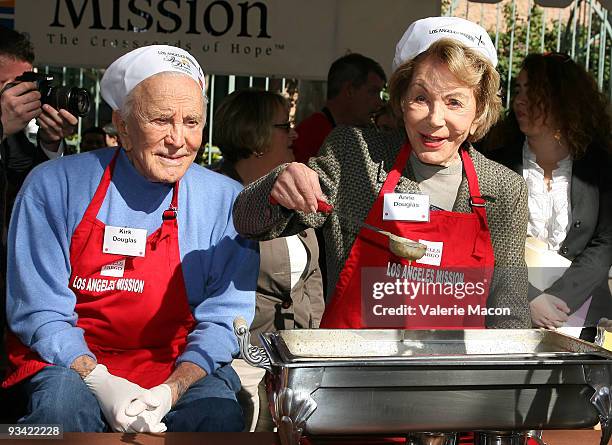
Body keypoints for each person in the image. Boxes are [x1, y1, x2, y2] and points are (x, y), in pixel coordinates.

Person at [3, 45, 258, 433]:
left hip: (178, 361)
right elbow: (40, 312)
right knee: (60, 413)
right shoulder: (54, 186)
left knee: (217, 416)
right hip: (71, 361)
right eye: (160, 119)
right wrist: (100, 381)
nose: (178, 139)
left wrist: (171, 391)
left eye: (192, 121)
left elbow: (224, 318)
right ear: (121, 124)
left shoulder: (225, 200)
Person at [233, 16, 531, 329]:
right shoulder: (354, 153)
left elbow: (509, 312)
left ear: (479, 111)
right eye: (420, 98)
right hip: (355, 369)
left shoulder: (503, 188)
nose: (435, 118)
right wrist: (278, 185)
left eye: (454, 102)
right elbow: (247, 222)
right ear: (401, 102)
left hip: (453, 373)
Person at [214, 89, 324, 432]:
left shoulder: (296, 191)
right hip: (239, 369)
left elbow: (313, 279)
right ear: (255, 134)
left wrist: (313, 348)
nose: (295, 134)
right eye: (284, 126)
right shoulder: (216, 196)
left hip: (298, 369)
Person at [483, 53, 612, 334]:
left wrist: (560, 298)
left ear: (564, 99)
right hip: (507, 310)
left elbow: (606, 242)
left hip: (584, 315)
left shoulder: (601, 165)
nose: (519, 100)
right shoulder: (493, 160)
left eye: (534, 91)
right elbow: (481, 239)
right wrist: (527, 297)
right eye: (518, 90)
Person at [0, 26, 78, 330]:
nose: (19, 96)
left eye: (25, 84)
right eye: (8, 85)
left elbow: (30, 193)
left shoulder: (16, 138)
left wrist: (49, 143)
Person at [291, 53, 386, 163]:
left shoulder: (360, 134)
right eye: (373, 92)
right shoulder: (309, 136)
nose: (379, 103)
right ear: (350, 90)